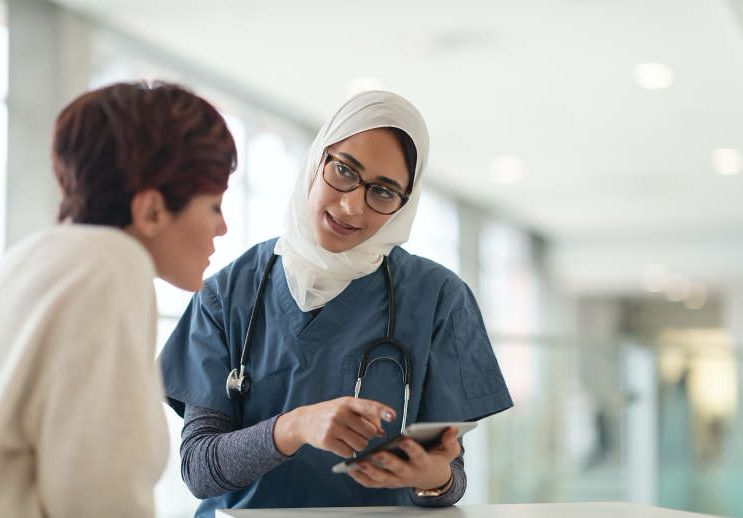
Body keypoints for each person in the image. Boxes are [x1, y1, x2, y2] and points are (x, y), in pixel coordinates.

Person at [159, 90, 513, 514]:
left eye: (383, 192)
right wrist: (294, 427)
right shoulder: (226, 294)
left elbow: (449, 478)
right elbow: (199, 469)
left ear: (405, 203)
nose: (351, 205)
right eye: (345, 170)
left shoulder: (438, 298)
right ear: (318, 158)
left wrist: (429, 477)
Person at [0, 81, 236, 518]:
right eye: (214, 206)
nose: (221, 228)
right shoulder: (111, 268)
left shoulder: (32, 260)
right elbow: (97, 495)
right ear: (150, 211)